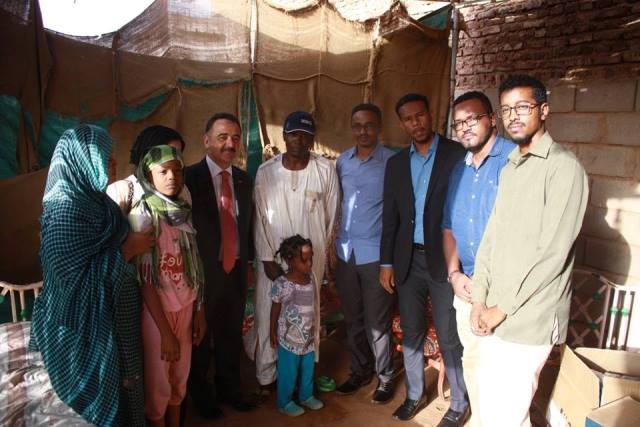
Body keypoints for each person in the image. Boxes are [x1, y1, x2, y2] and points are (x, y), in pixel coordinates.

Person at [469, 75, 588, 427]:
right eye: (506, 109)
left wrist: (500, 309)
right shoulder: (511, 167)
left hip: (529, 318)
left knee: (504, 416)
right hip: (494, 310)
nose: (514, 116)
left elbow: (553, 255)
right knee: (494, 411)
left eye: (523, 107)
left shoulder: (563, 168)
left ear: (544, 110)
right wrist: (479, 299)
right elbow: (491, 237)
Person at [30, 124, 154, 427]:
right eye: (104, 156)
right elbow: (71, 284)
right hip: (83, 335)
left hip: (119, 321)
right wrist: (126, 251)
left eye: (111, 155)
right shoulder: (64, 213)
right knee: (95, 410)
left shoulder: (102, 204)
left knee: (129, 395)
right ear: (80, 161)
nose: (113, 162)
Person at [380, 93, 468, 425]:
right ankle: (414, 395)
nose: (415, 123)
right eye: (408, 118)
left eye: (420, 115)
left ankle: (459, 403)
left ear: (431, 115)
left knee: (448, 333)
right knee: (412, 330)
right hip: (407, 261)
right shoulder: (396, 164)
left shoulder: (456, 154)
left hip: (445, 261)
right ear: (402, 124)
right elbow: (391, 218)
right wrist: (386, 263)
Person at [442, 91, 515, 426]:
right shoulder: (459, 169)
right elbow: (449, 227)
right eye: (458, 123)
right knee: (472, 361)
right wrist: (454, 273)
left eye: (472, 119)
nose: (465, 127)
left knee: (503, 370)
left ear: (493, 119)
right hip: (466, 287)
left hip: (503, 290)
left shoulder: (514, 162)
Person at [253, 111, 339, 390]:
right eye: (293, 134)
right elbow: (259, 217)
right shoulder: (266, 171)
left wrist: (316, 258)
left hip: (308, 261)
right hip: (273, 260)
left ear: (313, 139)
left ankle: (303, 377)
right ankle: (267, 374)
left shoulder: (325, 170)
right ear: (284, 137)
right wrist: (267, 257)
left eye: (305, 135)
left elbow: (331, 216)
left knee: (306, 316)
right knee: (268, 311)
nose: (299, 140)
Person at [129, 145, 207, 427]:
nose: (172, 177)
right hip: (158, 314)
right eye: (163, 171)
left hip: (185, 306)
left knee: (179, 379)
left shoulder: (183, 210)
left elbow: (194, 265)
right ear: (148, 175)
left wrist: (199, 311)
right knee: (158, 384)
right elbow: (145, 279)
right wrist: (165, 332)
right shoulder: (143, 213)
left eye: (177, 171)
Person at [186, 113, 255, 418]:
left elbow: (247, 225)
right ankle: (202, 396)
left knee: (230, 335)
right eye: (222, 137)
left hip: (235, 270)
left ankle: (230, 390)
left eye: (235, 138)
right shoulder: (189, 178)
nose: (230, 144)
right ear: (206, 141)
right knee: (200, 338)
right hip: (203, 271)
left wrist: (248, 263)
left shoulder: (243, 179)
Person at [334, 103, 396, 403]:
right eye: (357, 125)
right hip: (345, 254)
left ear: (379, 127)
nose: (363, 131)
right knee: (353, 319)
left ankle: (385, 376)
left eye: (369, 125)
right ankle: (360, 371)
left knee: (377, 323)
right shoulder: (342, 162)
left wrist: (390, 261)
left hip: (376, 257)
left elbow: (399, 211)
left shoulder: (392, 162)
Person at [269, 235, 324, 416]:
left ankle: (306, 396)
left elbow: (313, 305)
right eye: (304, 260)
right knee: (288, 372)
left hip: (308, 337)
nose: (310, 263)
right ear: (289, 260)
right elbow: (275, 308)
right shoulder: (282, 284)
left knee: (308, 369)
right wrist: (272, 331)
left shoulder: (311, 279)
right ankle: (284, 402)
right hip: (288, 339)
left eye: (311, 258)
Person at [107, 125, 187, 213]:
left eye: (178, 153)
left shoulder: (182, 192)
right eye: (166, 152)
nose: (174, 157)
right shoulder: (120, 191)